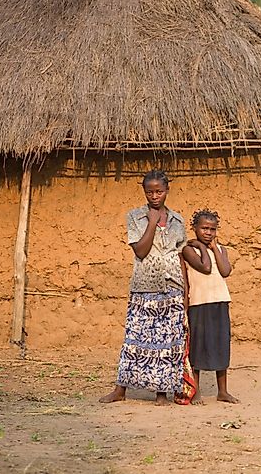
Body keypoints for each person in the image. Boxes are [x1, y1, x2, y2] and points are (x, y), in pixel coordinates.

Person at [100, 170, 194, 406]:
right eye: (150, 192)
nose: (155, 196)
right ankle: (120, 390)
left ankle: (161, 392)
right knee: (134, 338)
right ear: (144, 192)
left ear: (167, 191)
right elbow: (140, 250)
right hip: (144, 286)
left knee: (167, 343)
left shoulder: (178, 221)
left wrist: (185, 291)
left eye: (159, 191)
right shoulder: (135, 217)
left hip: (172, 286)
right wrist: (152, 223)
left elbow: (180, 256)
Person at [182, 209, 239, 404]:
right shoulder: (189, 250)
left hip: (220, 302)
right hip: (199, 303)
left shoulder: (222, 250)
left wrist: (214, 248)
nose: (208, 233)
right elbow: (205, 267)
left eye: (212, 229)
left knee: (221, 346)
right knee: (198, 347)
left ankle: (222, 391)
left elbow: (225, 271)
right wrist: (201, 246)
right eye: (204, 228)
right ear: (194, 228)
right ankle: (195, 390)